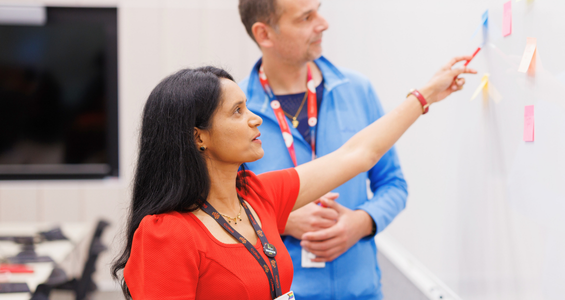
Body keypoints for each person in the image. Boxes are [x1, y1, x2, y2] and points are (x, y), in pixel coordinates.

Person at [111, 57, 475, 299]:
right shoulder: (166, 233)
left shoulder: (257, 197)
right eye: (237, 112)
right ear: (198, 136)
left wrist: (424, 96)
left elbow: (358, 155)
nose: (255, 119)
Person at [236, 0, 412, 298]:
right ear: (264, 34)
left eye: (318, 9)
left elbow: (394, 185)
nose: (323, 23)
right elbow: (219, 212)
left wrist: (362, 222)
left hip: (361, 290)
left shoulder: (357, 90)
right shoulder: (237, 114)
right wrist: (280, 219)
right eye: (306, 17)